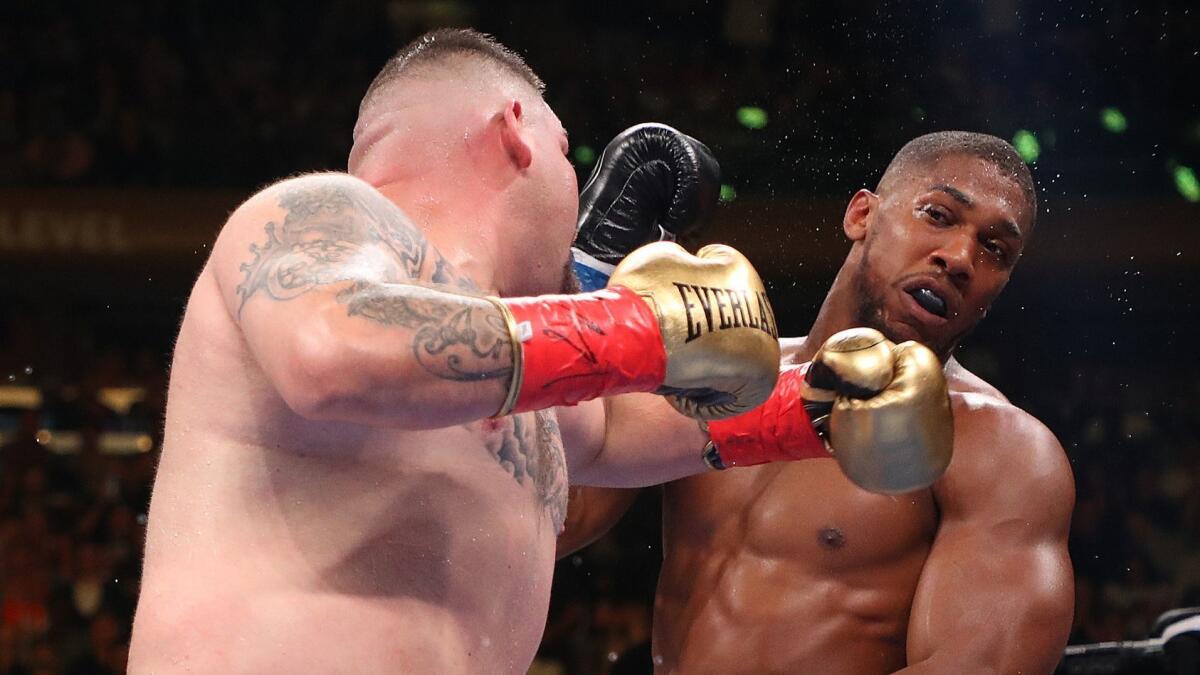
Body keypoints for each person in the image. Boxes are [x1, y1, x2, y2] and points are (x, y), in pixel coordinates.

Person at [128, 29, 949, 674]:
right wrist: (637, 326)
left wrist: (827, 405)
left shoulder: (522, 392)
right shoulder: (328, 214)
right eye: (568, 152)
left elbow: (627, 430)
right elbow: (332, 348)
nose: (575, 186)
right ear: (516, 132)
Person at [558, 131, 1076, 674]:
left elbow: (975, 669)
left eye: (995, 250)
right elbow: (558, 518)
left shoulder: (1000, 450)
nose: (960, 258)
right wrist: (591, 267)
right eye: (939, 215)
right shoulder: (720, 375)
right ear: (861, 215)